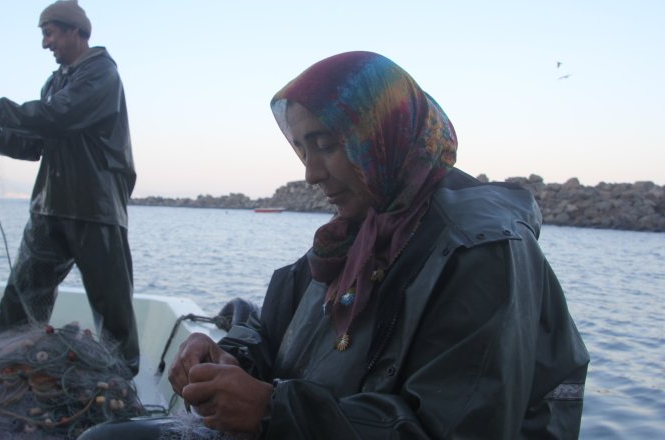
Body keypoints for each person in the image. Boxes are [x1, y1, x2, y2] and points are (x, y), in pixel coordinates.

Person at [81, 51, 589, 439]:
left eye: (326, 144)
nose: (309, 171)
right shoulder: (355, 233)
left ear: (383, 133)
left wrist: (271, 411)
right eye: (301, 148)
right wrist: (228, 356)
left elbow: (454, 427)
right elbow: (276, 334)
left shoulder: (482, 252)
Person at [0, 0, 139, 375]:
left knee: (112, 307)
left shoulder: (101, 74)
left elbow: (59, 116)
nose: (45, 44)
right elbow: (34, 143)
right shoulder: (55, 82)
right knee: (21, 297)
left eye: (49, 33)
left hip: (96, 208)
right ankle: (11, 369)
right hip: (49, 207)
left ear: (75, 31)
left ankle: (122, 382)